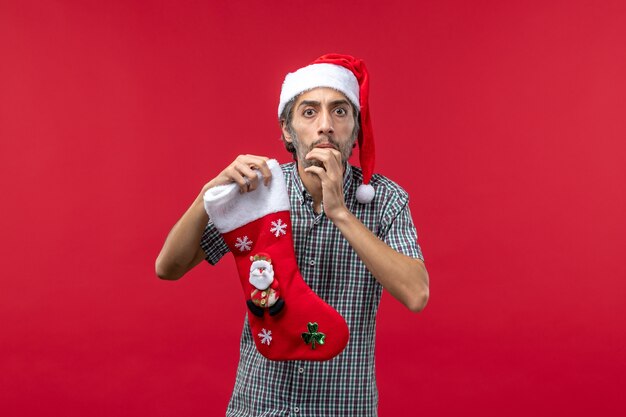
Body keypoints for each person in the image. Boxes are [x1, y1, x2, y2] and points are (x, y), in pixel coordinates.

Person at [156, 53, 429, 416]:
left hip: (343, 406)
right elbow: (168, 267)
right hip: (258, 405)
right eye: (310, 111)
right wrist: (209, 194)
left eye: (340, 111)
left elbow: (416, 293)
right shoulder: (260, 191)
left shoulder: (385, 200)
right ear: (288, 130)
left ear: (356, 129)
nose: (326, 126)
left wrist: (340, 212)